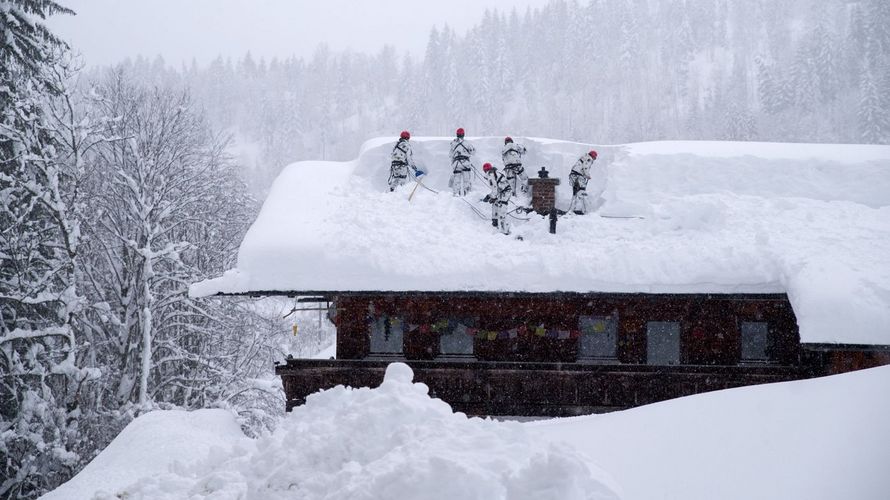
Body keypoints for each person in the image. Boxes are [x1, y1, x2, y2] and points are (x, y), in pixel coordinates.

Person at [482, 162, 513, 235]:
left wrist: (489, 196)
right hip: (503, 191)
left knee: (502, 210)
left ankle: (504, 231)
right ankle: (495, 222)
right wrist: (493, 197)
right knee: (495, 204)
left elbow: (494, 189)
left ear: (485, 170)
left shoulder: (491, 175)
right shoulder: (495, 173)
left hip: (505, 192)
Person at [568, 150, 597, 214]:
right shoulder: (589, 159)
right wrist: (587, 175)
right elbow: (585, 167)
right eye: (595, 157)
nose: (594, 159)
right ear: (593, 156)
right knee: (582, 192)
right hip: (578, 176)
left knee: (575, 193)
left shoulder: (584, 157)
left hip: (573, 175)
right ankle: (586, 211)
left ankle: (571, 210)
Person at [449, 128, 475, 196]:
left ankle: (456, 194)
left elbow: (450, 155)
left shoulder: (453, 143)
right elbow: (473, 152)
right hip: (465, 163)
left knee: (457, 180)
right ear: (463, 134)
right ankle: (468, 194)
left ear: (457, 134)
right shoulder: (467, 143)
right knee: (467, 180)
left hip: (456, 164)